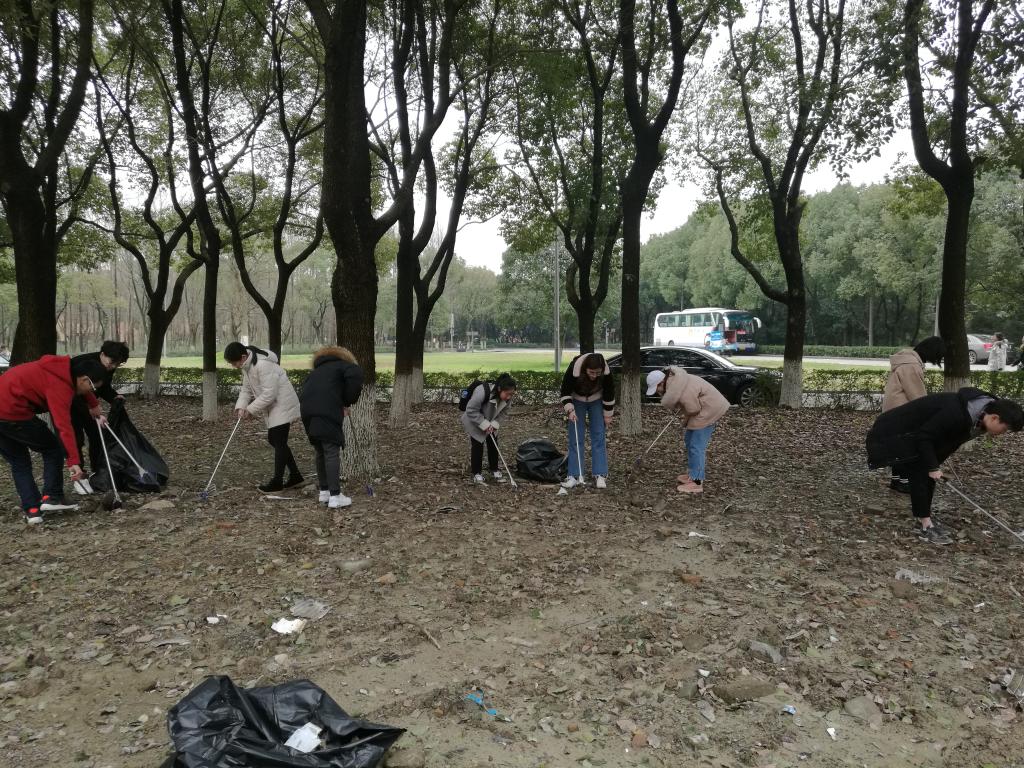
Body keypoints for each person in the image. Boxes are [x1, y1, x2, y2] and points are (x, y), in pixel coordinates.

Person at [866, 388, 1023, 545]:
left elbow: (949, 442)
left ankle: (924, 517)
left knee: (926, 471)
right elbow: (924, 437)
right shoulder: (956, 413)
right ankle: (925, 524)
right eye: (1005, 429)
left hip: (919, 435)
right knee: (921, 471)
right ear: (995, 418)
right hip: (894, 432)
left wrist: (935, 464)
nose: (1003, 433)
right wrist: (933, 467)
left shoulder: (982, 414)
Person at [0, 355, 107, 524]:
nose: (91, 392)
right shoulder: (59, 387)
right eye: (92, 388)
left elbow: (80, 387)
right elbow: (62, 425)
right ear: (84, 379)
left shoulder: (63, 368)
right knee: (53, 449)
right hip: (14, 412)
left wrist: (93, 404)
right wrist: (73, 461)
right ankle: (53, 496)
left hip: (5, 409)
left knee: (19, 462)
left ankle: (33, 511)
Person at [224, 342, 302, 492]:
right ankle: (296, 476)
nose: (234, 366)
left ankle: (277, 482)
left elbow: (269, 394)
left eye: (234, 363)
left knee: (278, 441)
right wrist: (241, 407)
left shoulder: (263, 365)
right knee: (275, 440)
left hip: (282, 403)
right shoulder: (247, 366)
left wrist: (250, 410)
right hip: (274, 405)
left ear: (243, 357)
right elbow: (246, 389)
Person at [645, 367, 730, 494]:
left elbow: (693, 409)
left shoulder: (678, 388)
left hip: (710, 409)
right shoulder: (675, 385)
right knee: (689, 440)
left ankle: (697, 482)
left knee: (696, 446)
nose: (657, 392)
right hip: (703, 408)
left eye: (656, 389)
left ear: (661, 383)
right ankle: (692, 473)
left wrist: (684, 412)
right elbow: (690, 405)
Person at [298, 346, 363, 508]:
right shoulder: (345, 366)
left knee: (321, 451)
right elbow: (356, 375)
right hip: (326, 412)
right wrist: (347, 401)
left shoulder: (316, 372)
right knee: (331, 451)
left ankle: (325, 492)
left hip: (308, 412)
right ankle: (335, 496)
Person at [882, 336, 944, 493]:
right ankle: (903, 483)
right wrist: (931, 413)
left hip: (894, 410)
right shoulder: (911, 365)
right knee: (907, 450)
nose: (937, 360)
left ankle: (896, 481)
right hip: (903, 413)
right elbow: (918, 396)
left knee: (898, 449)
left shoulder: (906, 360)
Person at [70, 340, 130, 486]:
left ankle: (98, 471)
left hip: (90, 404)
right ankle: (79, 476)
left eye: (118, 364)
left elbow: (102, 388)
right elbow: (73, 391)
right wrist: (91, 408)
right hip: (70, 404)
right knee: (76, 439)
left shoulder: (108, 366)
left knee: (97, 435)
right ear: (102, 354)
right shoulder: (81, 364)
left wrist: (114, 397)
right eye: (112, 362)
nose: (113, 366)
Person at [559, 352, 615, 489]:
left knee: (598, 435)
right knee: (576, 437)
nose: (594, 376)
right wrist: (570, 410)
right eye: (591, 372)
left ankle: (600, 474)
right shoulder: (574, 367)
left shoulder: (606, 372)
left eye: (597, 373)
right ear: (585, 369)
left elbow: (609, 392)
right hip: (577, 400)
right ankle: (574, 475)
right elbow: (565, 390)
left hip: (596, 400)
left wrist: (608, 414)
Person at [460, 374, 517, 485]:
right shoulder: (482, 392)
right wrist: (484, 424)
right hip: (475, 419)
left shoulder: (508, 398)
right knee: (477, 445)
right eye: (507, 394)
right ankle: (476, 473)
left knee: (493, 443)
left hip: (491, 419)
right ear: (499, 389)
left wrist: (494, 424)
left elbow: (504, 412)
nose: (509, 397)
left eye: (512, 394)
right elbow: (471, 410)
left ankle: (494, 469)